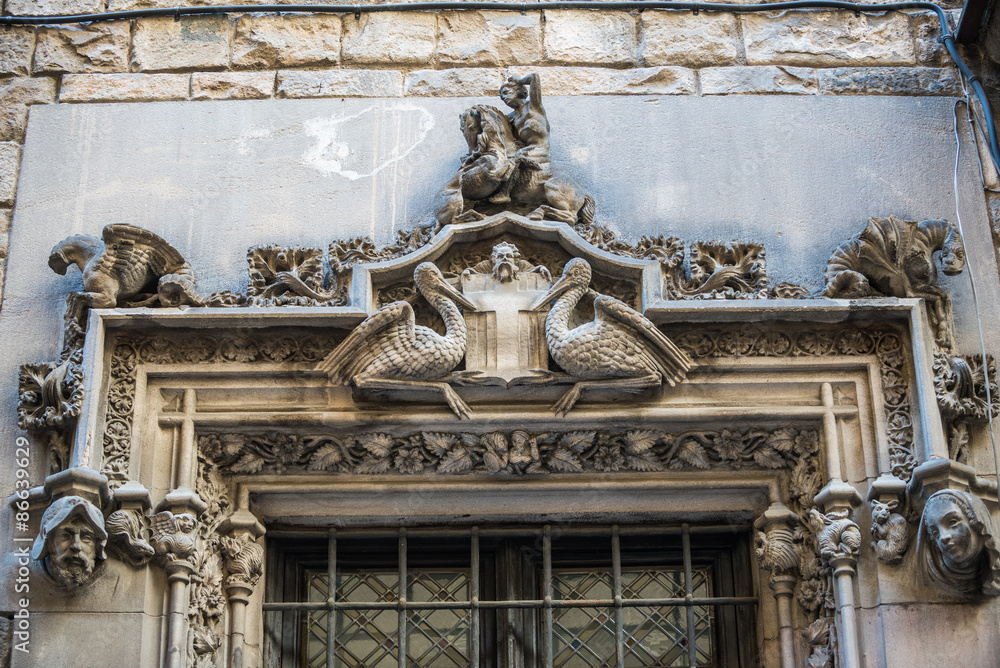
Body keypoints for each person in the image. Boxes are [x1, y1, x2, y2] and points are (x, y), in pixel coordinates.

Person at [919, 489, 1000, 596]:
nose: (943, 537)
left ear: (977, 522)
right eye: (935, 532)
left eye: (953, 522)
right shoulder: (935, 572)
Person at [32, 495, 107, 589]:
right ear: (49, 543)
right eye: (65, 536)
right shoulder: (21, 575)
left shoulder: (116, 581)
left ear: (96, 546)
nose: (76, 546)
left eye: (86, 538)